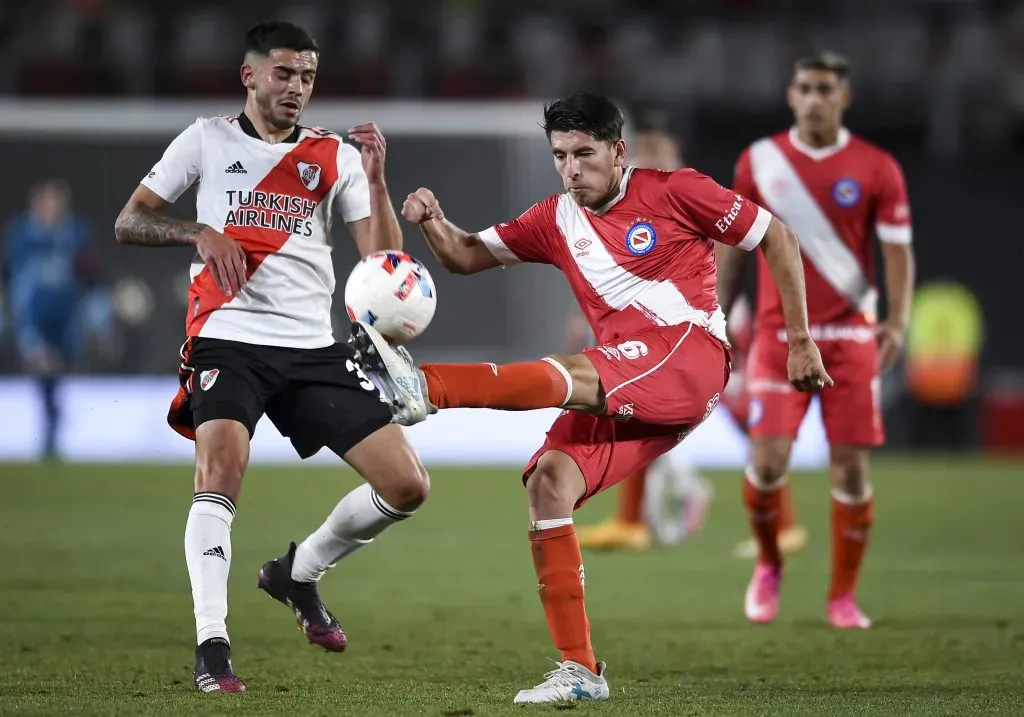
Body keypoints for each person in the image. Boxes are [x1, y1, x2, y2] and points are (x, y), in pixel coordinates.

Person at [352, 92, 831, 704]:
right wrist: (430, 221)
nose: (572, 168)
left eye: (584, 153)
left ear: (618, 151)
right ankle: (580, 671)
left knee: (575, 374)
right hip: (630, 382)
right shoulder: (555, 219)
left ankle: (426, 386)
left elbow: (777, 237)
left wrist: (798, 340)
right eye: (560, 156)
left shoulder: (675, 189)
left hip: (690, 355)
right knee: (548, 482)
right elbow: (464, 256)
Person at [113, 21, 429, 694]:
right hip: (227, 335)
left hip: (312, 346)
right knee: (221, 470)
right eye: (284, 73)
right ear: (249, 76)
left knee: (407, 485)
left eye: (308, 77)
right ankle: (212, 645)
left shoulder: (334, 154)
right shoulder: (206, 138)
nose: (297, 88)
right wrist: (198, 231)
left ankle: (299, 573)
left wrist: (375, 178)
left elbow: (382, 257)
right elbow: (129, 219)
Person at [718, 51, 915, 629]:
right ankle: (770, 563)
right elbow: (733, 245)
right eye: (805, 88)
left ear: (844, 98)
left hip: (851, 335)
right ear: (790, 94)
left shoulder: (877, 167)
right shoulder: (759, 161)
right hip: (779, 335)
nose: (814, 98)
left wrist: (897, 322)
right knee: (768, 462)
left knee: (850, 470)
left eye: (825, 89)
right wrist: (719, 316)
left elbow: (898, 253)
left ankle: (843, 596)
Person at [571, 107, 808, 553]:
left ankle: (783, 524)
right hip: (656, 328)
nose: (652, 153)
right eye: (646, 144)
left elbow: (735, 247)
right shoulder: (626, 199)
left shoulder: (692, 192)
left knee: (753, 422)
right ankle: (630, 522)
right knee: (633, 411)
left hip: (711, 321)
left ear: (678, 151)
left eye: (661, 146)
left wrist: (722, 316)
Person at [1, 179, 100, 460]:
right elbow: (9, 272)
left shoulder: (74, 233)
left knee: (57, 368)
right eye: (48, 202)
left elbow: (88, 269)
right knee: (42, 364)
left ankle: (53, 419)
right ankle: (50, 424)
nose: (53, 208)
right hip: (32, 314)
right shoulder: (20, 234)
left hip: (66, 313)